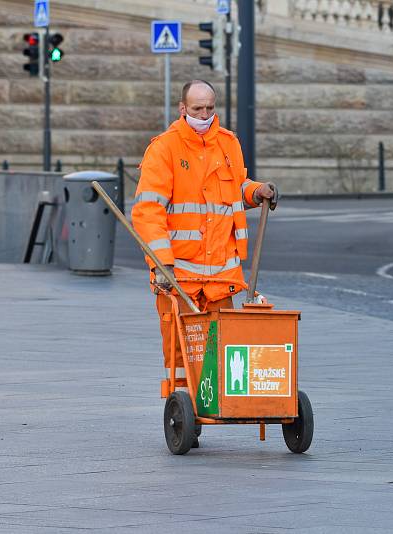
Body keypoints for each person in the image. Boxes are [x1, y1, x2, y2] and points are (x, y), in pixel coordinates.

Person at [132, 80, 278, 436]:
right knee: (181, 353)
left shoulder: (228, 143)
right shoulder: (164, 149)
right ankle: (185, 415)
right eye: (197, 109)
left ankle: (215, 405)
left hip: (220, 275)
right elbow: (148, 211)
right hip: (178, 276)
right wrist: (162, 263)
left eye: (209, 108)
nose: (204, 115)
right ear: (182, 109)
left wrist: (256, 191)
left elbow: (234, 188)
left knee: (219, 346)